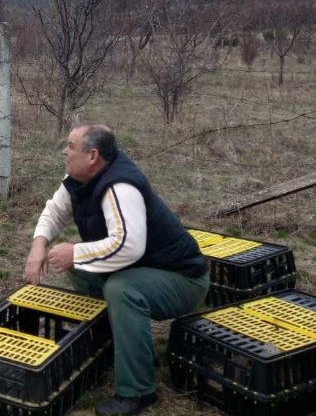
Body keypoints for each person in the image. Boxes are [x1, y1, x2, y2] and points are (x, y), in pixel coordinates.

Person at [25, 123, 209, 416]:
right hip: (144, 268)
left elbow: (129, 246)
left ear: (93, 155)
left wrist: (76, 252)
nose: (64, 150)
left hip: (183, 279)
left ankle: (138, 390)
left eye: (71, 146)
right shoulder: (80, 178)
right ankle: (120, 346)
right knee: (80, 268)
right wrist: (39, 245)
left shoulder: (120, 188)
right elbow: (55, 210)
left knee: (121, 289)